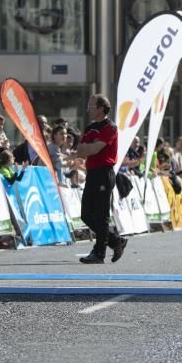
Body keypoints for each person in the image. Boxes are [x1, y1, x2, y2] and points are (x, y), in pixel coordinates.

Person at [76, 94, 125, 264]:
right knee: (86, 215)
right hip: (92, 173)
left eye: (91, 105)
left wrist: (88, 148)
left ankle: (99, 253)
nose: (88, 108)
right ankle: (114, 240)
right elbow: (80, 151)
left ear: (101, 108)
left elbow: (96, 148)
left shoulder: (110, 127)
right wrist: (87, 148)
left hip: (104, 172)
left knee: (101, 215)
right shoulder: (90, 128)